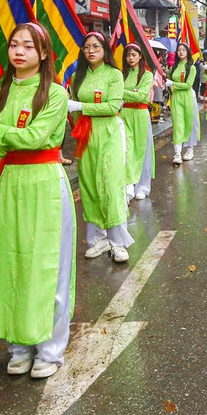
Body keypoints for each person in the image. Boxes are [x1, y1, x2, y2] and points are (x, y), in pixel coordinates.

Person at [0, 23, 76, 379]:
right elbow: (5, 148)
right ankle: (19, 346)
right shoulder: (1, 93)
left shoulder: (55, 93)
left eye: (28, 46)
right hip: (11, 184)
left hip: (44, 184)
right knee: (12, 265)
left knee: (46, 268)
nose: (19, 51)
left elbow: (36, 138)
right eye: (13, 45)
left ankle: (50, 350)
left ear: (43, 53)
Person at [69, 32, 132, 263]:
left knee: (110, 184)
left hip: (109, 134)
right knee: (89, 185)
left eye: (96, 46)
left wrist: (80, 105)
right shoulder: (78, 75)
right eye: (86, 47)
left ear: (105, 49)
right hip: (86, 135)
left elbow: (113, 106)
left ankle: (118, 242)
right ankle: (97, 239)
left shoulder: (114, 75)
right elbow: (73, 106)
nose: (91, 50)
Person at [121, 44, 156, 200]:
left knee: (142, 150)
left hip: (141, 114)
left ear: (140, 56)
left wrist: (123, 93)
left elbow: (143, 97)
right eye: (128, 55)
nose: (131, 58)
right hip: (125, 114)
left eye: (134, 55)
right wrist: (132, 93)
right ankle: (128, 186)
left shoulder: (147, 75)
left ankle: (143, 186)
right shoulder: (122, 75)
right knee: (126, 149)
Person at [168, 42, 200, 165]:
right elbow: (169, 79)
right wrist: (169, 86)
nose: (180, 52)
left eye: (183, 50)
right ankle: (177, 153)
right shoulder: (173, 67)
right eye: (179, 50)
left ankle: (190, 149)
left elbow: (188, 85)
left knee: (189, 123)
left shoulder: (191, 67)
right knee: (177, 124)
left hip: (188, 97)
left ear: (188, 52)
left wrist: (173, 85)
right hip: (176, 97)